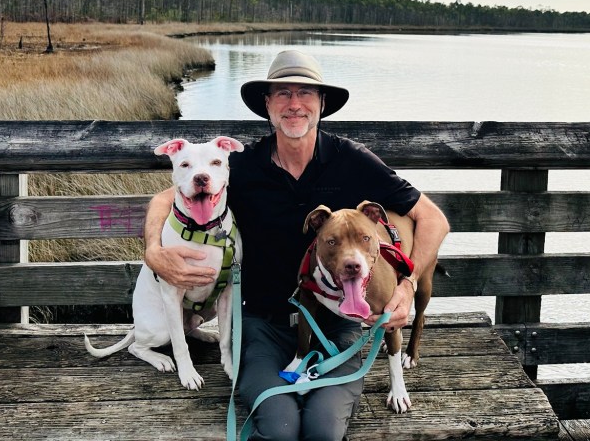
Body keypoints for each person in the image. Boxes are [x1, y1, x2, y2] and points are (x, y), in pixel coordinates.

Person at [143, 49, 450, 441]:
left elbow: (433, 219)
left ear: (321, 103)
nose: (294, 103)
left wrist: (407, 286)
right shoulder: (245, 166)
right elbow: (164, 200)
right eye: (282, 93)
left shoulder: (352, 160)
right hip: (262, 325)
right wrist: (154, 251)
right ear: (267, 104)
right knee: (279, 427)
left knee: (323, 430)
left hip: (337, 326)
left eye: (305, 92)